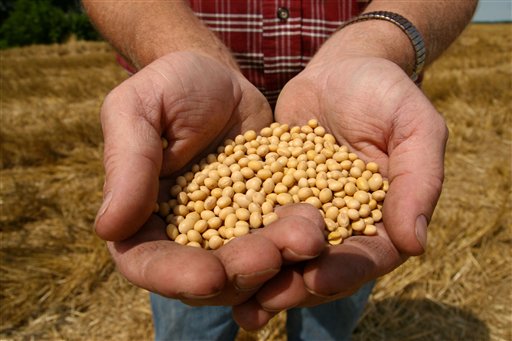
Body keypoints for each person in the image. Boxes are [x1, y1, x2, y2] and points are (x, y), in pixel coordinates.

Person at [83, 1, 478, 340]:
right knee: (194, 309)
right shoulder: (204, 199)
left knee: (328, 314)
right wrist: (180, 49)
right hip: (197, 136)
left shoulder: (353, 184)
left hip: (356, 132)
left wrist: (374, 47)